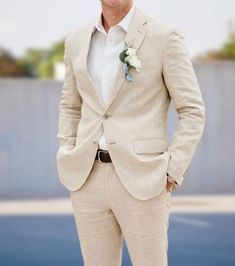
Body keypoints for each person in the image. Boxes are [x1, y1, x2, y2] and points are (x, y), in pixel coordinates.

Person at [56, 0, 206, 265]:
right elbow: (70, 105)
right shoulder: (76, 39)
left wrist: (173, 168)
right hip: (87, 177)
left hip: (144, 178)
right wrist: (67, 149)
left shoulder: (164, 35)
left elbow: (192, 110)